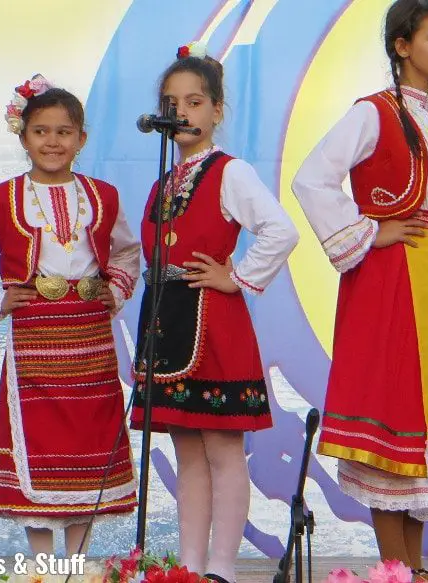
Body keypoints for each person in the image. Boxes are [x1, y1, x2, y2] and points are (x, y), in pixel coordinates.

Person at [291, 1, 428, 580]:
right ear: (403, 46)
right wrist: (369, 232)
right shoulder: (373, 113)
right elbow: (311, 177)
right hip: (394, 283)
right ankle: (395, 568)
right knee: (393, 417)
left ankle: (415, 568)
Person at [0, 75, 139, 555]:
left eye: (64, 131)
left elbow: (128, 252)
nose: (53, 141)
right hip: (34, 339)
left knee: (87, 446)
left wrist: (116, 290)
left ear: (81, 139)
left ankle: (76, 560)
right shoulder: (1, 198)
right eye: (41, 131)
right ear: (23, 136)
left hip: (92, 338)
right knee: (40, 442)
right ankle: (42, 563)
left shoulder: (103, 196)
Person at [129, 42, 299, 583]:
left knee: (224, 447)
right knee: (186, 450)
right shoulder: (165, 179)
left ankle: (221, 567)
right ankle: (189, 565)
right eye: (171, 102)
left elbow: (281, 230)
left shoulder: (230, 172)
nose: (182, 112)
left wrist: (238, 277)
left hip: (213, 322)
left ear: (217, 110)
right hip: (167, 322)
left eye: (195, 101)